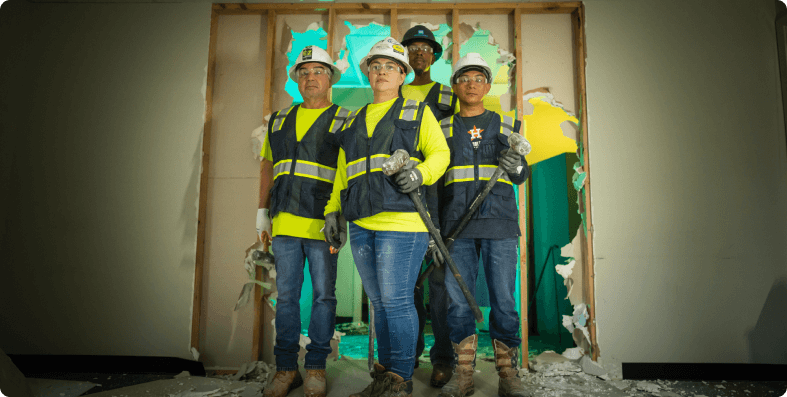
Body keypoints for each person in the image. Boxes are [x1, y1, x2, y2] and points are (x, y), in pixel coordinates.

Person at [322, 37, 449, 397]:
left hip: (402, 223)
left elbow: (440, 154)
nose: (381, 72)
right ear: (367, 74)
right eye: (375, 66)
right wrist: (334, 210)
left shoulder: (415, 112)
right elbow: (344, 172)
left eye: (389, 66)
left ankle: (400, 378)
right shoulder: (355, 119)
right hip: (362, 223)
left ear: (402, 74)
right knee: (378, 304)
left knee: (396, 301)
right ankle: (386, 374)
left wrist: (420, 174)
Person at [437, 53, 532, 397]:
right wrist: (434, 233)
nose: (472, 83)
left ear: (488, 86)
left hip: (500, 224)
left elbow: (522, 176)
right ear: (455, 86)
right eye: (465, 78)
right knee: (458, 302)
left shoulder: (508, 125)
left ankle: (508, 375)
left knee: (504, 300)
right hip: (455, 227)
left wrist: (517, 165)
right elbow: (435, 181)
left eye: (479, 78)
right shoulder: (442, 128)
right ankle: (463, 374)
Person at [257, 45, 349, 397]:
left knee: (324, 297)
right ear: (297, 79)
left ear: (330, 80)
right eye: (305, 71)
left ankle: (315, 368)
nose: (311, 77)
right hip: (284, 225)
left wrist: (339, 214)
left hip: (323, 223)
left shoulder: (344, 119)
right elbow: (268, 167)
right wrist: (261, 214)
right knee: (287, 298)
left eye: (319, 71)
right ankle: (285, 369)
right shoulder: (278, 120)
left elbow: (349, 172)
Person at [399, 24, 457, 387]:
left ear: (434, 55)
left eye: (425, 48)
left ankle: (443, 359)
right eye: (413, 48)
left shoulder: (448, 96)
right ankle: (410, 355)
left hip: (441, 199)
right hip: (402, 200)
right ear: (404, 54)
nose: (419, 53)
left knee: (439, 285)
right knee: (407, 287)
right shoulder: (393, 92)